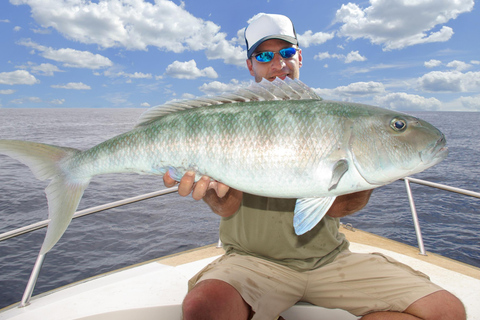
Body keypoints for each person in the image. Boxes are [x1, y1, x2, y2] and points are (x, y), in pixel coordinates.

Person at [164, 13, 466, 320]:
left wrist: (368, 172)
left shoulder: (331, 117)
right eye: (264, 55)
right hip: (250, 261)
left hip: (329, 261)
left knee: (446, 312)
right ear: (250, 65)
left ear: (299, 57)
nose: (278, 64)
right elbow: (227, 209)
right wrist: (212, 189)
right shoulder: (232, 124)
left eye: (286, 53)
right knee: (202, 308)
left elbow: (337, 208)